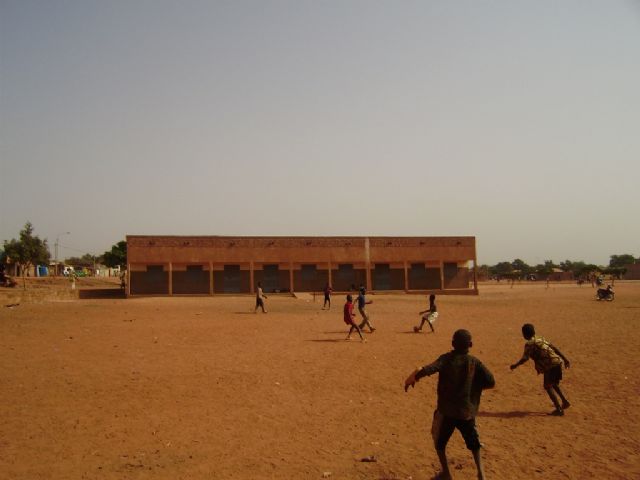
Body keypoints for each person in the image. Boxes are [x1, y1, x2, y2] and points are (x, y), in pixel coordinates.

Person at [405, 329, 495, 480]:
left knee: (439, 443)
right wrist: (474, 388)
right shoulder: (475, 362)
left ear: (453, 344)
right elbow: (491, 382)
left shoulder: (446, 359)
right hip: (466, 412)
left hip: (447, 412)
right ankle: (481, 473)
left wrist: (415, 376)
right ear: (471, 344)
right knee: (474, 443)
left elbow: (430, 369)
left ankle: (446, 472)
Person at [510, 323, 571, 416]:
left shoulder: (529, 344)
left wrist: (515, 365)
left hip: (549, 365)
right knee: (553, 383)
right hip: (557, 362)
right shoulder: (540, 338)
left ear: (524, 334)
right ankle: (564, 401)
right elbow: (554, 348)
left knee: (547, 386)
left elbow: (525, 358)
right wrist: (565, 359)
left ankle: (558, 408)